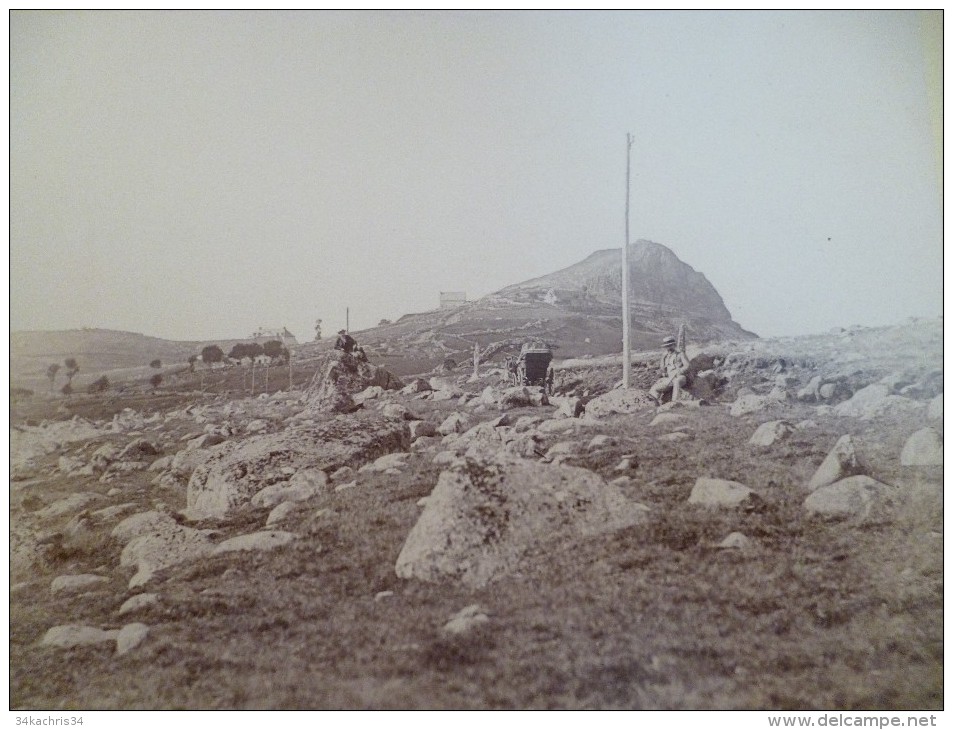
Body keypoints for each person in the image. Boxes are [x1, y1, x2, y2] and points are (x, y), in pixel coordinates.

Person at [649, 335, 690, 404]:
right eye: (667, 346)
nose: (669, 348)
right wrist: (662, 359)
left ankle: (675, 402)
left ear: (674, 345)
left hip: (680, 377)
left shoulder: (680, 354)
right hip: (669, 378)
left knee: (677, 382)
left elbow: (687, 365)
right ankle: (655, 404)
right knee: (655, 388)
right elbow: (662, 369)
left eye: (670, 345)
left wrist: (680, 371)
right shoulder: (665, 356)